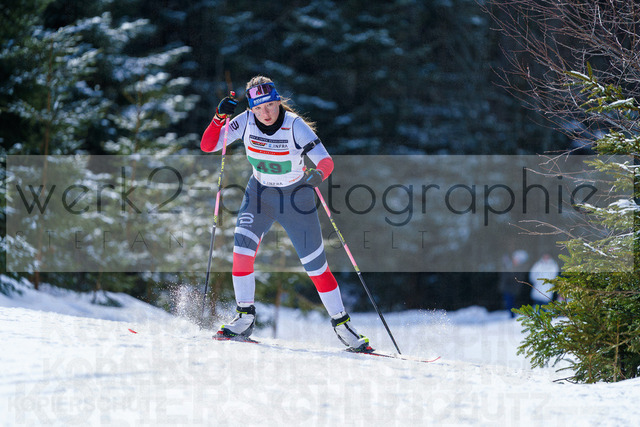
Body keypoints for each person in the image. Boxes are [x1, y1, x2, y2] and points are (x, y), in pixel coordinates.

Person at [200, 76, 372, 352]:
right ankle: (244, 317)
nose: (265, 113)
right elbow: (209, 145)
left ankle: (343, 326)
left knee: (316, 267)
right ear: (251, 109)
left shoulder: (294, 125)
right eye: (258, 108)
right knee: (241, 251)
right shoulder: (244, 121)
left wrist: (318, 174)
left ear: (278, 101)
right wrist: (219, 117)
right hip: (259, 195)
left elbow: (325, 161)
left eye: (269, 105)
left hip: (295, 198)